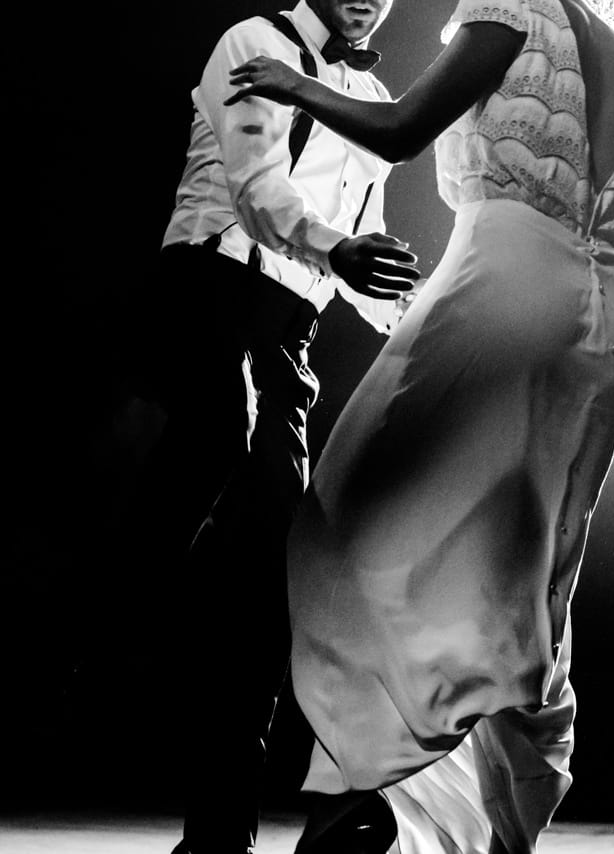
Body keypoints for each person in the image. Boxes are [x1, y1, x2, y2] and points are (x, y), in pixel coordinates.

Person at [226, 0, 614, 849]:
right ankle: (451, 809)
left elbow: (401, 130)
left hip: (505, 279)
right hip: (608, 329)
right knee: (520, 572)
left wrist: (294, 85)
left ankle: (364, 792)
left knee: (345, 520)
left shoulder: (515, 8)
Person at [135, 2, 419, 853]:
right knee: (217, 456)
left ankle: (218, 833)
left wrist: (442, 326)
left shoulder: (372, 99)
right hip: (210, 298)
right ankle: (97, 643)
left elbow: (366, 262)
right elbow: (261, 197)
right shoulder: (252, 43)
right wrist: (339, 253)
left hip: (289, 335)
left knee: (268, 580)